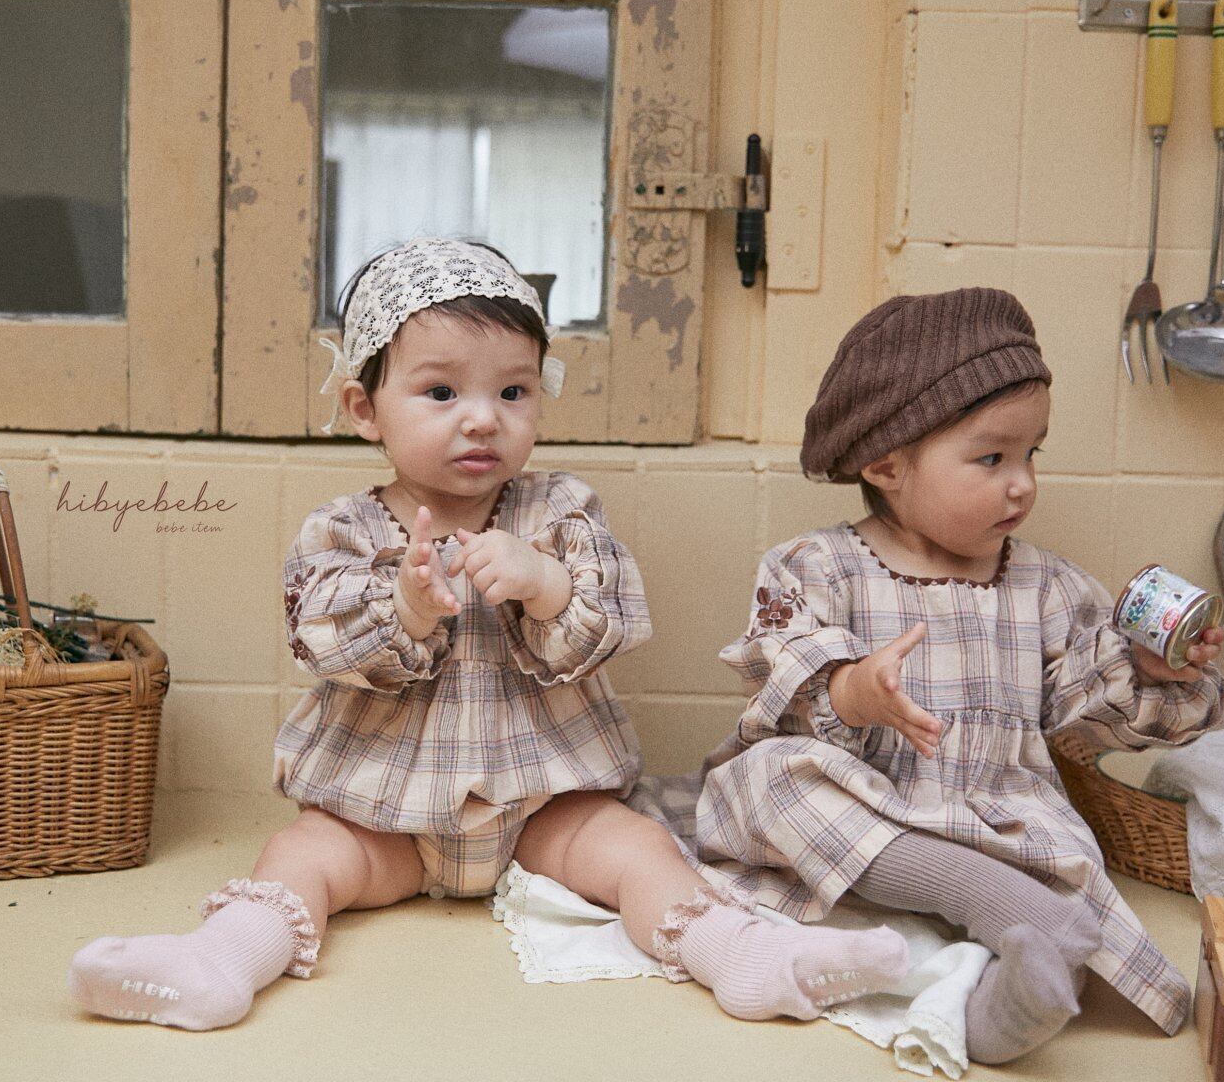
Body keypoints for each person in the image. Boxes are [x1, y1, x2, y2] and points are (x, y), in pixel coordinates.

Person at [68, 237, 907, 1030]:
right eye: (442, 393)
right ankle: (220, 962)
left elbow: (611, 619)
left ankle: (745, 957)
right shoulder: (343, 529)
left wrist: (544, 584)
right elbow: (317, 636)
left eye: (513, 393)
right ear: (364, 408)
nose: (482, 420)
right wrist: (405, 608)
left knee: (640, 848)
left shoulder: (559, 511)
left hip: (545, 809)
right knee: (302, 854)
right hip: (385, 817)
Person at [692, 286, 1224, 1062]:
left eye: (1032, 453)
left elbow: (1083, 710)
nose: (1023, 483)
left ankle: (999, 1016)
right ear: (887, 464)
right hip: (866, 806)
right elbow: (782, 676)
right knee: (766, 776)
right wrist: (855, 690)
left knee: (1068, 866)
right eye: (992, 458)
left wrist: (1144, 667)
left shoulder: (1046, 586)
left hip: (997, 814)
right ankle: (981, 896)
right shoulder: (817, 565)